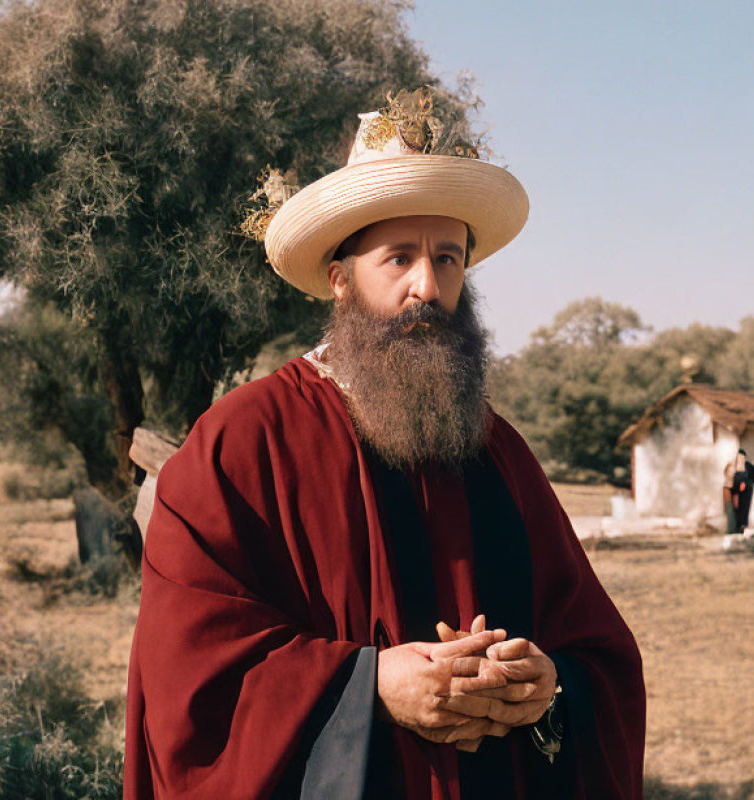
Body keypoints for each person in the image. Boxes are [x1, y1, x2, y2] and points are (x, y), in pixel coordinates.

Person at [124, 89, 645, 800]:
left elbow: (600, 651)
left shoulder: (498, 452)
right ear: (339, 280)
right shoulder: (242, 445)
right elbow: (189, 670)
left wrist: (550, 685)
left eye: (449, 259)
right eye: (397, 258)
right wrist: (369, 686)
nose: (427, 287)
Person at [731, 449, 754, 533]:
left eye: (741, 457)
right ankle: (738, 526)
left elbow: (753, 478)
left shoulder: (748, 466)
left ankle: (743, 526)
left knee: (745, 508)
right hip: (736, 491)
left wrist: (745, 483)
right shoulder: (735, 466)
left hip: (746, 492)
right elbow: (734, 477)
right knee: (737, 509)